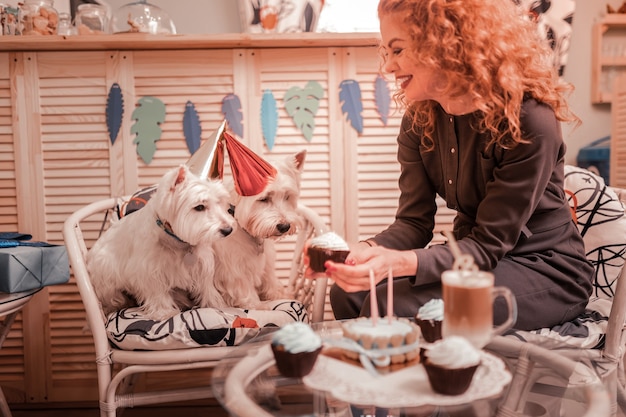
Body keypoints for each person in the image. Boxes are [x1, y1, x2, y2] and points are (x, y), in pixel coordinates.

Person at [316, 0, 594, 331]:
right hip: (473, 258)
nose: (387, 67)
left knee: (394, 306)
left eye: (398, 50)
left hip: (543, 269)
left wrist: (398, 264)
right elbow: (413, 224)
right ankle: (378, 377)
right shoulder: (419, 120)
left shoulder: (530, 121)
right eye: (386, 52)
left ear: (447, 44)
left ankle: (406, 379)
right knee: (349, 295)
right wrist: (364, 252)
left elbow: (489, 244)